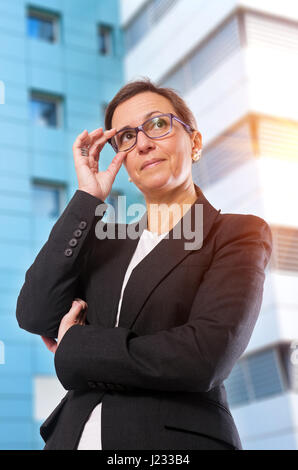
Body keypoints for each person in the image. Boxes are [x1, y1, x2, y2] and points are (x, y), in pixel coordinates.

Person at [16, 78, 272, 450]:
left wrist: (78, 348)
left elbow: (203, 356)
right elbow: (35, 314)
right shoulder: (105, 241)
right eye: (126, 137)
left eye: (158, 124)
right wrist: (88, 198)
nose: (144, 143)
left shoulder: (235, 233)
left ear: (195, 142)